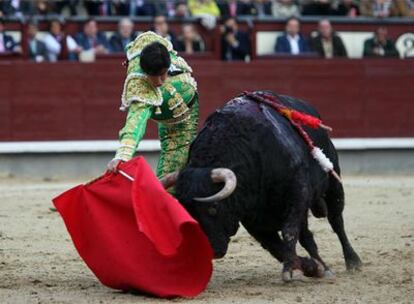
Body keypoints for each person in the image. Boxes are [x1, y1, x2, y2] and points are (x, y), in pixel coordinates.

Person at [107, 31, 199, 186]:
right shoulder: (140, 86)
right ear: (145, 71)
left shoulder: (156, 50)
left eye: (162, 75)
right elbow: (135, 122)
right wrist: (123, 155)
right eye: (153, 76)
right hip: (173, 120)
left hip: (184, 113)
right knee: (171, 176)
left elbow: (136, 46)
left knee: (175, 165)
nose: (159, 82)